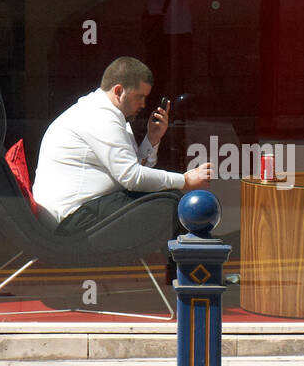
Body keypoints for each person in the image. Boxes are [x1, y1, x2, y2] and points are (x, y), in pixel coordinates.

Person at [31, 56, 214, 233]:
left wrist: (152, 139)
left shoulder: (108, 114)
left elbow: (132, 171)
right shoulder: (100, 117)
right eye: (139, 97)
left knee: (167, 199)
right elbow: (132, 178)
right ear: (119, 91)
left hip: (84, 212)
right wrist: (185, 181)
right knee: (170, 203)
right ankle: (188, 260)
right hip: (73, 220)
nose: (143, 104)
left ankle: (184, 259)